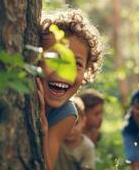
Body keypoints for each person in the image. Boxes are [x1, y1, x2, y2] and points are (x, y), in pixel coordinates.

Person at [36, 9, 103, 170]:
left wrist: (44, 130)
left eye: (77, 64)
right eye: (56, 58)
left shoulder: (66, 113)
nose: (66, 71)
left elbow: (47, 166)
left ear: (86, 71)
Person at [54, 97, 96, 170]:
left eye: (76, 123)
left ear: (84, 121)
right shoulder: (55, 141)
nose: (70, 129)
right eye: (66, 123)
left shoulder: (87, 147)